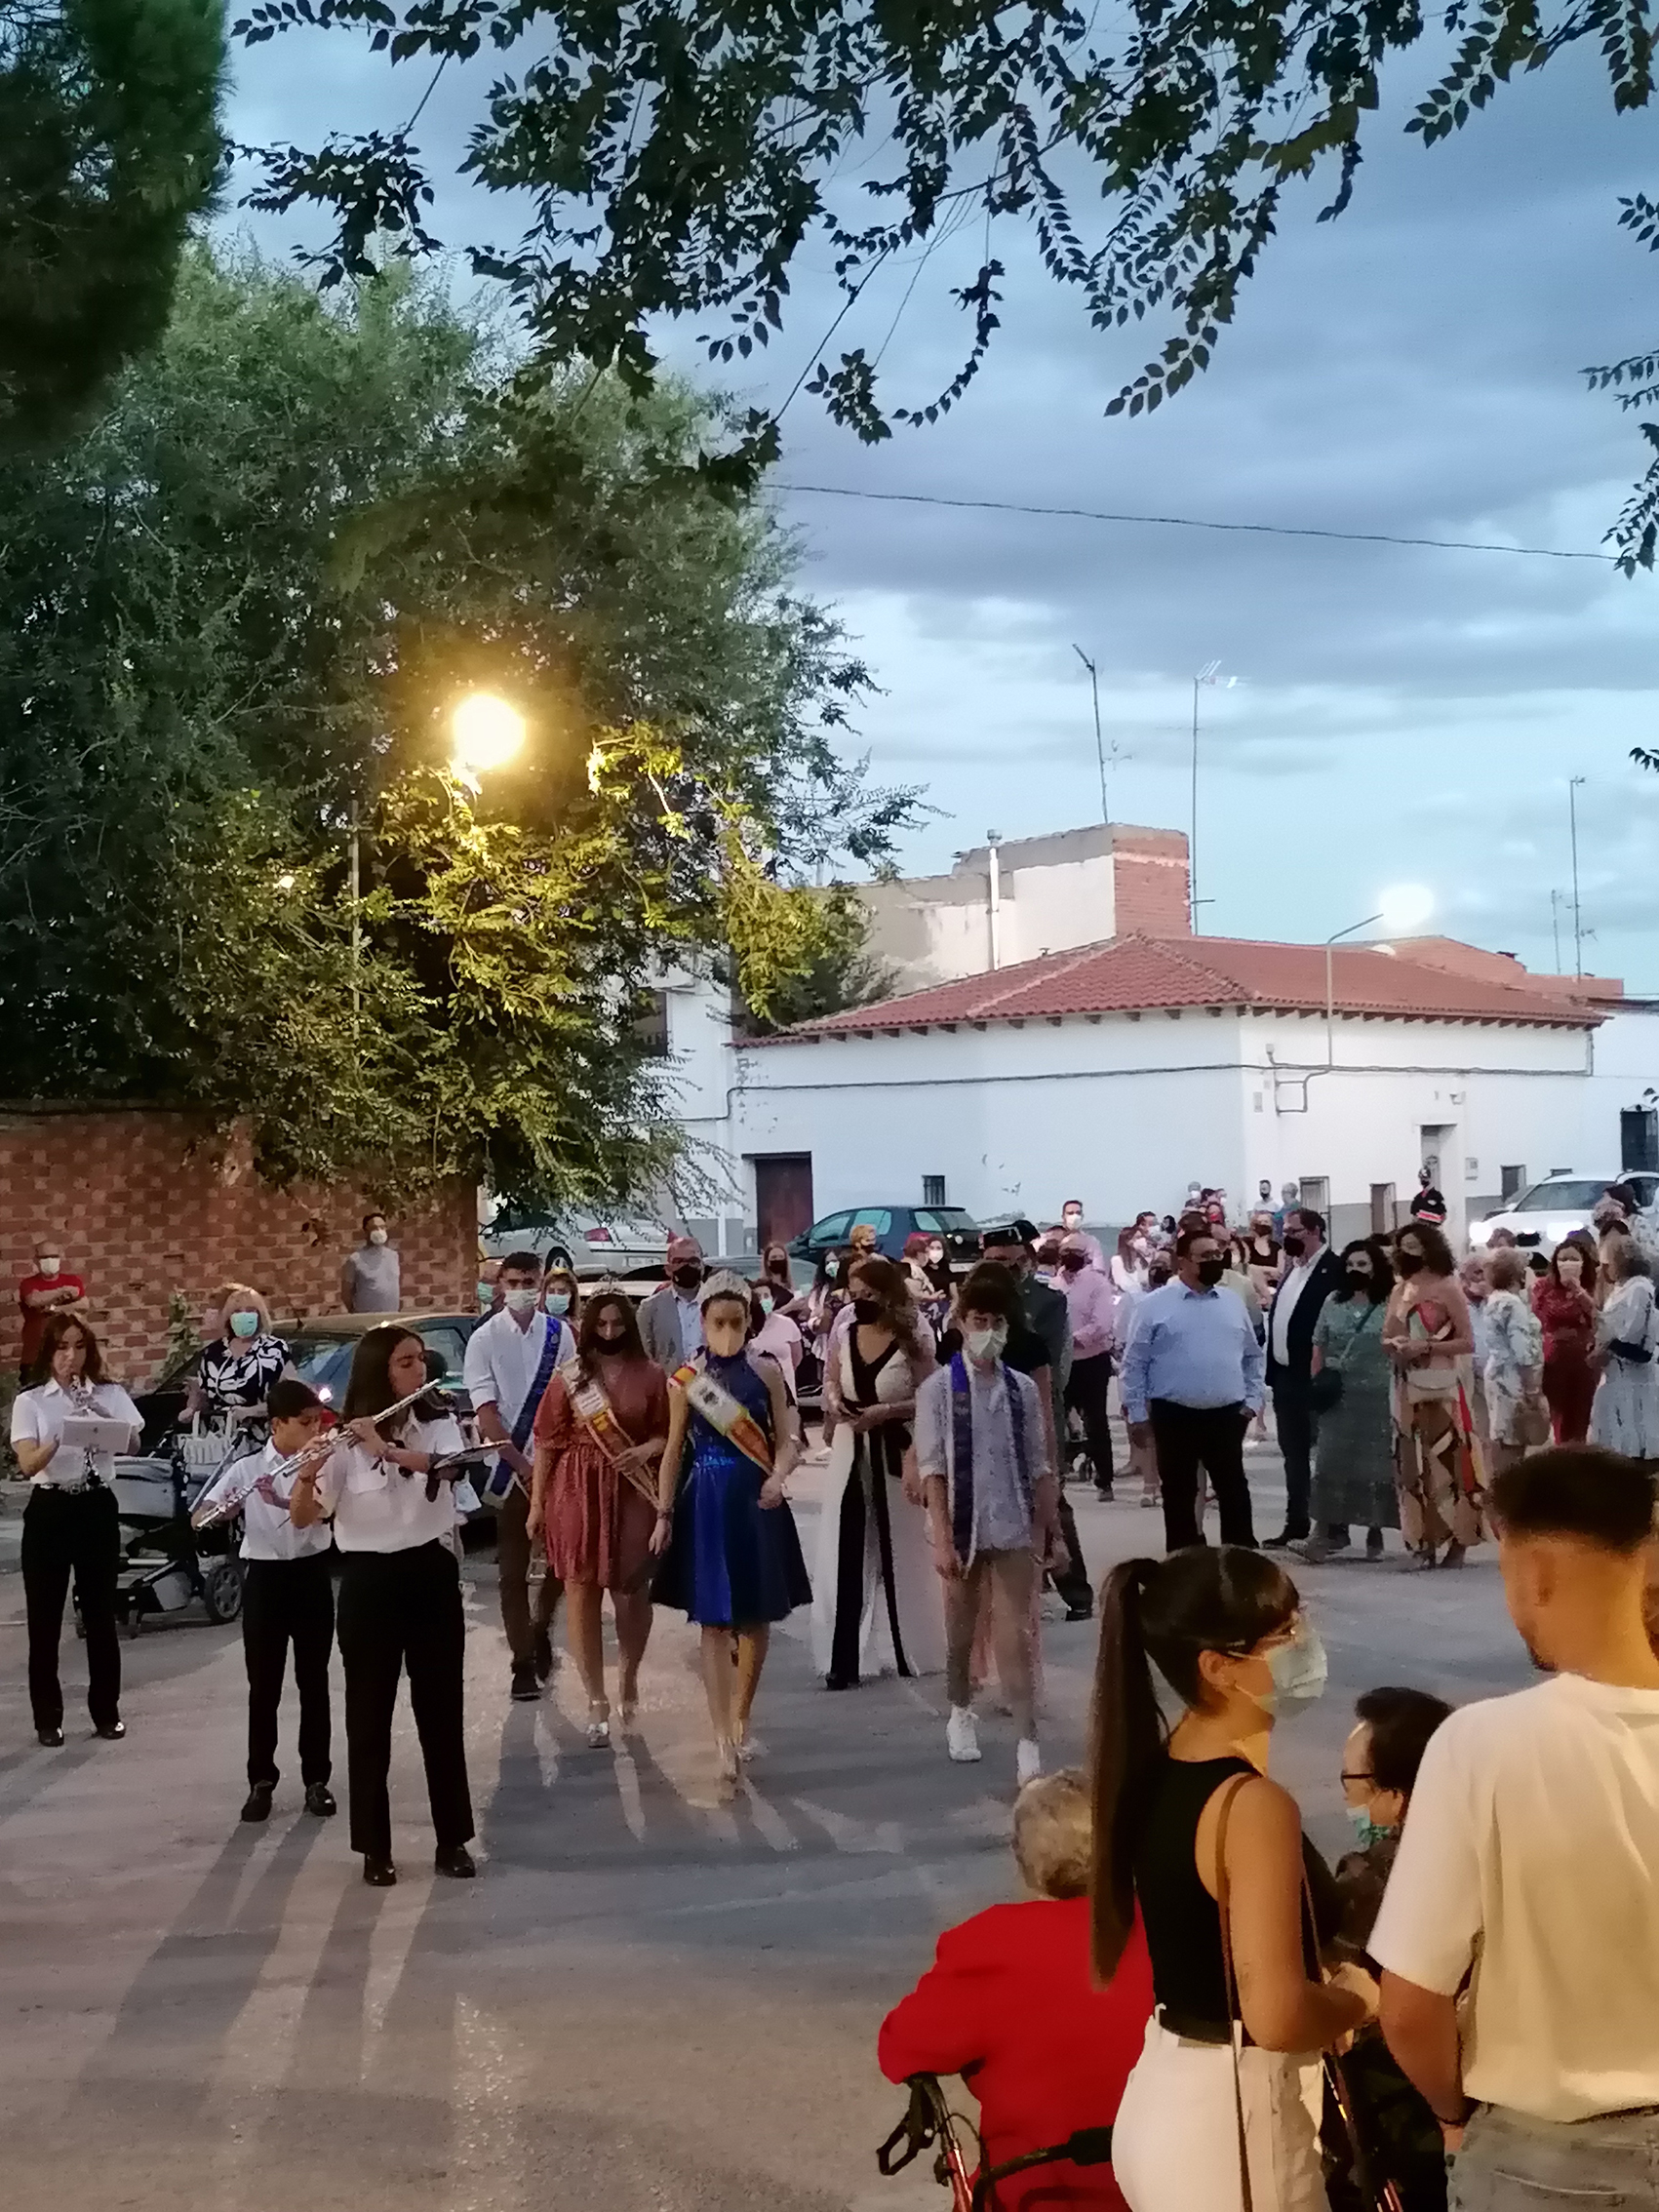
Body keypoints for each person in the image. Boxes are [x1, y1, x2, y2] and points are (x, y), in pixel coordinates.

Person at [1372, 1446, 1659, 2211]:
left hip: (1546, 2163)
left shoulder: (1482, 1745)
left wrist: (1449, 2113)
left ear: (1534, 1573)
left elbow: (1409, 2004)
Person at [1089, 1547, 1371, 2212]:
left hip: (1170, 2092)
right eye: (1284, 1634)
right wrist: (1358, 1999)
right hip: (1237, 2124)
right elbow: (1275, 2015)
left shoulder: (1155, 1768)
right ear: (1218, 1667)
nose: (1306, 1643)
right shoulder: (1251, 1806)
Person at [878, 1770, 1156, 2212]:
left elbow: (903, 2046)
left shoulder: (988, 1946)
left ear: (1024, 1859)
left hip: (1039, 2192)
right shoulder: (1172, 1928)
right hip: (1172, 2183)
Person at [290, 1324, 476, 1885]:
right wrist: (307, 1471)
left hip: (430, 1572)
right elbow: (305, 1517)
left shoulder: (439, 1422)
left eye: (420, 1359)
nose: (420, 1370)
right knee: (368, 1717)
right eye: (405, 1362)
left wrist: (386, 1448)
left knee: (441, 1713)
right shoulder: (341, 1442)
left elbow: (449, 1468)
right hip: (369, 1582)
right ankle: (374, 1847)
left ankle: (452, 1840)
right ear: (380, 1371)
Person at [649, 1272, 810, 1780]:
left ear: (748, 1321)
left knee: (756, 1616)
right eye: (717, 1322)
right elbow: (673, 1449)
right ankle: (720, 1732)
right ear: (702, 1321)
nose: (726, 1331)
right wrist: (663, 1513)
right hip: (708, 1500)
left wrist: (779, 1476)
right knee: (714, 1620)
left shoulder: (767, 1372)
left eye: (735, 1322)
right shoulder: (685, 1380)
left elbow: (787, 1437)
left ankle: (741, 1716)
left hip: (755, 1497)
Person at [916, 1263, 1063, 1787]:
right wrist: (941, 1535)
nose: (988, 1331)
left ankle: (1027, 1740)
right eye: (979, 1320)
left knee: (1014, 1634)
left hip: (1013, 1520)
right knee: (961, 1630)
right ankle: (960, 1710)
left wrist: (1053, 1531)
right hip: (962, 1523)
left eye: (997, 1322)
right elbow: (933, 1468)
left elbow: (1039, 1465)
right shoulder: (938, 1390)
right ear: (961, 1322)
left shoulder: (1020, 1388)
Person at [1326, 1687, 1455, 2212]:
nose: (1347, 1799)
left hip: (1407, 2118)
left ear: (1397, 1796)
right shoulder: (1499, 1850)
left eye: (1352, 1784)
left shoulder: (1370, 1878)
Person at [528, 1287, 669, 1745]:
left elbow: (668, 1434)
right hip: (575, 1489)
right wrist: (537, 1504)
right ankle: (596, 1699)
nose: (609, 1332)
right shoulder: (570, 1377)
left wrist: (645, 1451)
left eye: (618, 1323)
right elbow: (547, 1442)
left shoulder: (652, 1375)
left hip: (632, 1490)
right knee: (580, 1593)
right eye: (602, 1324)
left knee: (632, 1594)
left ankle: (628, 1674)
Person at [200, 1376, 338, 1824]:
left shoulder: (322, 1463)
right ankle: (261, 1780)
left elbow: (309, 1517)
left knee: (314, 1681)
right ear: (278, 1424)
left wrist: (303, 1476)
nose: (316, 1429)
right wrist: (222, 1511)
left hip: (311, 1574)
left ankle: (316, 1779)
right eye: (306, 1422)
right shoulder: (246, 1469)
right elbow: (201, 1514)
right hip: (264, 1578)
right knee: (264, 1686)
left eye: (318, 1421)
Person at [11, 1313, 141, 1747]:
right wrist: (63, 1435)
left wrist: (101, 1416)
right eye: (63, 1347)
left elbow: (133, 1443)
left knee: (100, 1614)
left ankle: (107, 1712)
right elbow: (27, 1463)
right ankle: (47, 1719)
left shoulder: (108, 1392)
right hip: (51, 1507)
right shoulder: (32, 1401)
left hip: (95, 1504)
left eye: (79, 1346)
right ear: (49, 1352)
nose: (71, 1356)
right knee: (45, 1619)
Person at [942, 1251, 1092, 1622]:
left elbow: (1043, 1400)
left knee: (1045, 1511)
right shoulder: (999, 1342)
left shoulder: (1021, 1343)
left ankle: (1050, 1582)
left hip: (997, 1444)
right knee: (1046, 1509)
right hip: (996, 1443)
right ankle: (1069, 1590)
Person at [812, 1254, 939, 1688]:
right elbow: (831, 1379)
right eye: (856, 1294)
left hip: (894, 1450)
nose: (861, 1301)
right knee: (848, 1551)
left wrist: (888, 1411)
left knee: (900, 1551)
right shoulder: (846, 1334)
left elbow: (932, 1394)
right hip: (852, 1451)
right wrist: (834, 1402)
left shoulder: (911, 1339)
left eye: (869, 1294)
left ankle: (910, 1649)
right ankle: (844, 1658)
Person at [461, 1250, 574, 1702]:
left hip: (558, 1465)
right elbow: (486, 1414)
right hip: (508, 1471)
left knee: (561, 1564)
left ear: (541, 1283)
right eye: (513, 1282)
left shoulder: (560, 1335)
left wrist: (548, 1465)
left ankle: (540, 1628)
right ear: (501, 1285)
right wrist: (525, 1468)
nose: (522, 1290)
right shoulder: (483, 1339)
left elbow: (572, 1397)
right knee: (512, 1572)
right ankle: (521, 1662)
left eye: (529, 1282)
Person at [1119, 1227, 1265, 1553]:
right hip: (1174, 1415)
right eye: (1205, 1256)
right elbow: (1135, 1363)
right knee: (1179, 1494)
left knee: (1234, 1490)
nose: (1215, 1261)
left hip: (1227, 1414)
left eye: (1218, 1254)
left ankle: (1240, 1560)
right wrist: (1137, 1414)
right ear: (1182, 1261)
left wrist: (1253, 1402)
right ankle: (1185, 1561)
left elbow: (1253, 1356)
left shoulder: (1232, 1302)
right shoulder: (1154, 1306)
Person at [1385, 1222, 1481, 1569]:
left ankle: (1459, 1539)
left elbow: (1467, 1342)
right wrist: (1395, 1345)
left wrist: (1425, 1346)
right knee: (1413, 1463)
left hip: (1443, 1388)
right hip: (1406, 1384)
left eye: (1414, 1245)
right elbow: (1387, 1334)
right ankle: (1421, 1541)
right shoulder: (1400, 1290)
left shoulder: (1447, 1289)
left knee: (1448, 1460)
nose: (1407, 1251)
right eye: (1403, 1246)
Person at [1302, 1239, 1398, 1562]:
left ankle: (1375, 1529)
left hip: (1378, 1394)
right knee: (1329, 1461)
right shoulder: (1333, 1300)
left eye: (1363, 1264)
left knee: (1376, 1465)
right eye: (1351, 1265)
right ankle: (1321, 1533)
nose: (1356, 1270)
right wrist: (1317, 1384)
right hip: (1338, 1395)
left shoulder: (1390, 1301)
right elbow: (1319, 1343)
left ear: (1375, 1268)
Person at [1264, 1207, 1343, 1551]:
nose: (1287, 1238)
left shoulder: (1334, 1270)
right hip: (1285, 1376)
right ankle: (1296, 1522)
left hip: (1314, 1377)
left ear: (1315, 1231)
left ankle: (1333, 1526)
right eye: (1285, 1231)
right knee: (1293, 1454)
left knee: (1325, 1455)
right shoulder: (1292, 1269)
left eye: (1294, 1232)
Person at [1058, 1229, 1119, 1502]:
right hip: (1063, 1362)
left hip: (1092, 1361)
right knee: (1056, 1419)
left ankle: (1104, 1480)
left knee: (1095, 1421)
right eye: (1065, 1252)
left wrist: (1073, 1339)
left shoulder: (1097, 1283)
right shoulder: (1053, 1284)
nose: (1069, 1256)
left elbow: (1102, 1323)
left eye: (1075, 1252)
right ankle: (1058, 1475)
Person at [1588, 1228, 1659, 1460]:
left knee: (1635, 1443)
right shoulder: (1621, 1289)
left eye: (1607, 1263)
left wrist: (1608, 1347)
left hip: (1635, 1378)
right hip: (1616, 1377)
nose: (1604, 1268)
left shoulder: (1639, 1288)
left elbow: (1636, 1340)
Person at [187, 1284, 292, 1442]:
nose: (244, 1316)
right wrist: (191, 1409)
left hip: (262, 1438)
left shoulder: (275, 1350)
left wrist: (252, 1411)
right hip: (220, 1440)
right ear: (229, 1317)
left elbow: (289, 1396)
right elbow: (203, 1396)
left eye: (250, 1310)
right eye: (237, 1311)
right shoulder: (213, 1353)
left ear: (260, 1315)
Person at [1481, 1247, 1545, 1477]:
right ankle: (1507, 1486)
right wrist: (1532, 1389)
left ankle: (1499, 1483)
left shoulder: (1495, 1299)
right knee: (1514, 1438)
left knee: (1501, 1434)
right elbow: (1522, 1351)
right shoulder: (1512, 1304)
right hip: (1512, 1377)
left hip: (1496, 1372)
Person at [1531, 1236, 1598, 1444]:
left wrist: (1577, 1290)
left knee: (1582, 1412)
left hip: (1584, 1358)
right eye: (1562, 1259)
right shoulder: (1543, 1287)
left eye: (1573, 1259)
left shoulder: (1592, 1286)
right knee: (1559, 1414)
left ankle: (1579, 1452)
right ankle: (1562, 1452)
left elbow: (1598, 1317)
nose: (1567, 1263)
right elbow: (1536, 1318)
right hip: (1554, 1357)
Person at [18, 1234, 88, 1378]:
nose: (50, 1260)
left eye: (54, 1256)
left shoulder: (72, 1280)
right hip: (35, 1357)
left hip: (68, 1357)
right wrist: (61, 1291)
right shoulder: (28, 1284)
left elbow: (84, 1304)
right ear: (36, 1260)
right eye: (44, 1257)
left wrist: (55, 1309)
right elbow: (33, 1300)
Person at [639, 1235, 707, 1369]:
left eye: (693, 1261)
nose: (686, 1266)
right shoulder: (650, 1308)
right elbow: (646, 1361)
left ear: (702, 1266)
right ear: (668, 1269)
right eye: (679, 1261)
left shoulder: (719, 1303)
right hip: (667, 1381)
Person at [339, 1210, 401, 1314]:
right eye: (374, 1228)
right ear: (366, 1231)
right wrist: (355, 1313)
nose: (379, 1231)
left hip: (391, 1316)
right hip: (367, 1317)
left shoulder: (393, 1256)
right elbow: (346, 1292)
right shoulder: (355, 1259)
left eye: (382, 1227)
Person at [1058, 1200, 1106, 1273]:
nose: (1075, 1217)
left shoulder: (1092, 1242)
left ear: (1082, 1216)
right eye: (1070, 1213)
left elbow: (1099, 1269)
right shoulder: (1055, 1240)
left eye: (1078, 1213)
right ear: (1063, 1217)